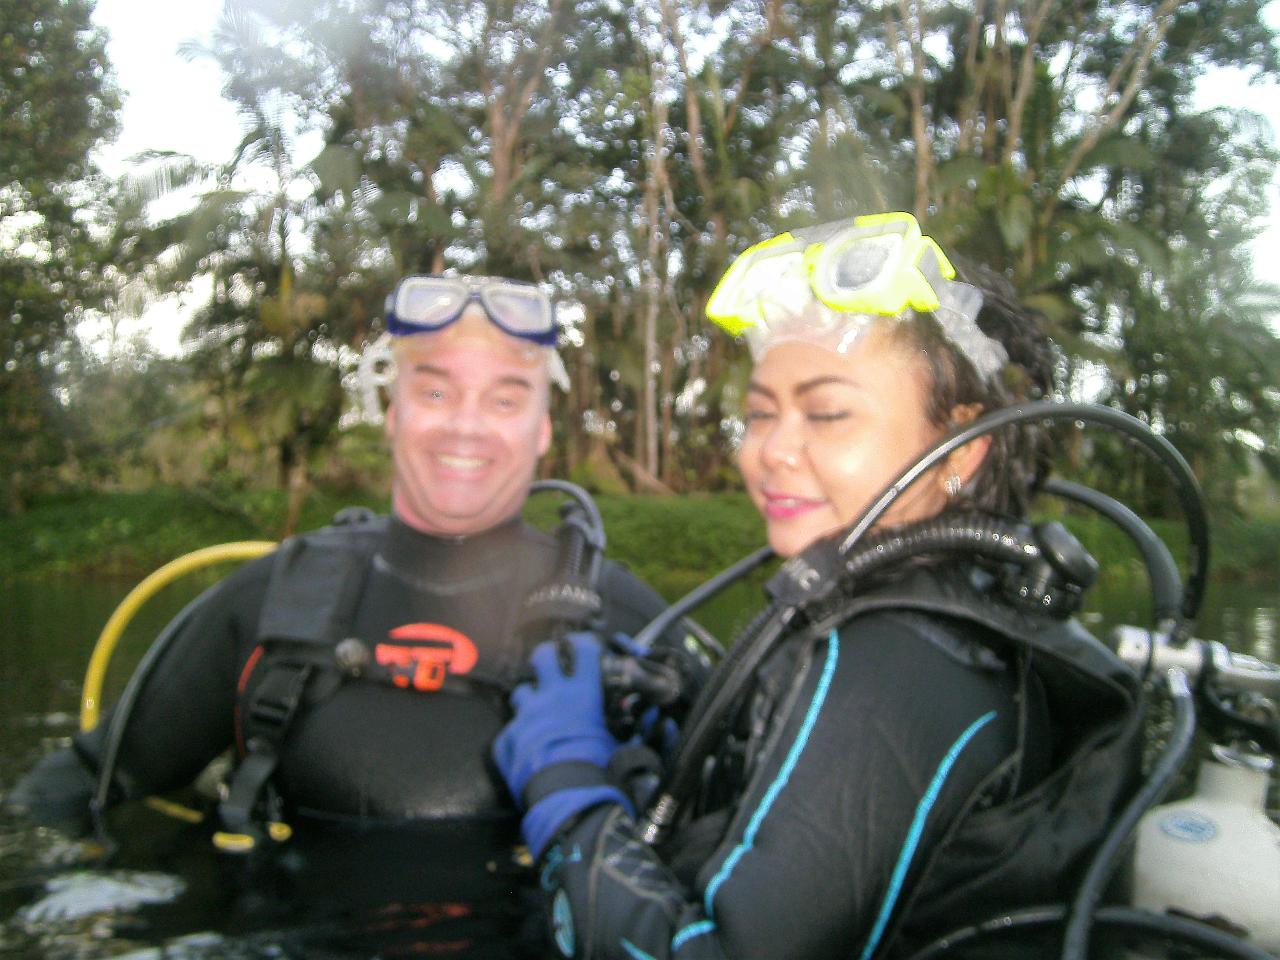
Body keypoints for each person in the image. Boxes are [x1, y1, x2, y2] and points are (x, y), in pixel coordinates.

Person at [492, 213, 1143, 959]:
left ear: (960, 450)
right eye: (759, 413)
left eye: (827, 413)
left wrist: (562, 778)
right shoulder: (965, 610)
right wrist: (691, 711)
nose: (772, 450)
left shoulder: (894, 663)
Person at [7, 274, 697, 953]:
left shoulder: (625, 620)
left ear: (542, 429)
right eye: (435, 391)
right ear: (392, 412)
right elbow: (72, 791)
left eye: (505, 399)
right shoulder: (272, 602)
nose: (466, 425)